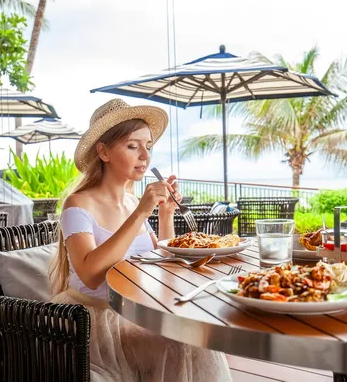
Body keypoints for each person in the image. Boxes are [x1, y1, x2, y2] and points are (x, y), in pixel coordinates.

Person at [49, 98, 232, 382]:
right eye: (132, 146)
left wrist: (165, 213)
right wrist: (141, 212)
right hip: (93, 320)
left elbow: (161, 257)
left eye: (148, 146)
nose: (145, 156)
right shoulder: (78, 204)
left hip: (137, 309)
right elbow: (90, 275)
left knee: (200, 336)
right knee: (183, 344)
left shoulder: (132, 201)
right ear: (104, 152)